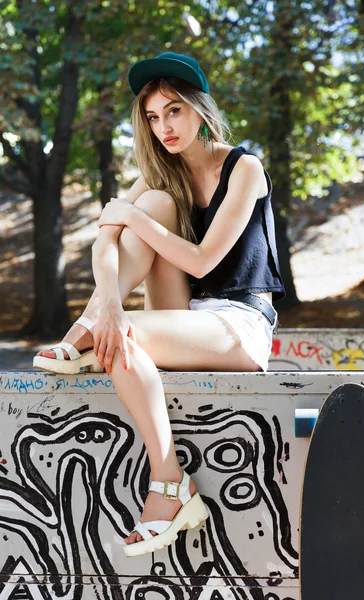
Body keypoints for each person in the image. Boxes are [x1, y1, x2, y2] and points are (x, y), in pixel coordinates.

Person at [33, 51, 286, 557]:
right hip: (187, 312)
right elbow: (103, 243)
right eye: (152, 117)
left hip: (238, 322)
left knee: (125, 318)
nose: (164, 126)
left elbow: (200, 260)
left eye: (174, 110)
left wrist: (129, 217)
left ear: (199, 109)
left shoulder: (245, 167)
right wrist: (107, 301)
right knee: (154, 205)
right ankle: (90, 328)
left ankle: (169, 481)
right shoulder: (160, 173)